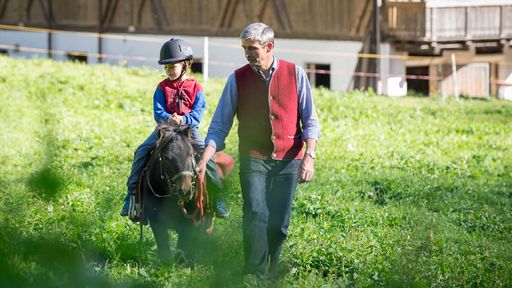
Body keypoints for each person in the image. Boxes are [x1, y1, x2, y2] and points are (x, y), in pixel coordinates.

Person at [196, 23, 320, 279]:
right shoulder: (237, 79)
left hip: (290, 159)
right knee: (255, 212)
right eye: (244, 48)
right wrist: (206, 156)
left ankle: (272, 267)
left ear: (269, 47)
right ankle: (254, 273)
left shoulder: (295, 73)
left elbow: (310, 120)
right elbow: (220, 124)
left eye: (252, 48)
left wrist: (310, 157)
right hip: (254, 157)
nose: (248, 54)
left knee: (280, 222)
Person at [121, 38, 229, 219]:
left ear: (185, 65)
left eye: (173, 67)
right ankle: (132, 195)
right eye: (166, 68)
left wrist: (184, 119)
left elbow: (197, 113)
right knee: (141, 151)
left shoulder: (196, 87)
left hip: (189, 129)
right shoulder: (161, 87)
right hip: (165, 129)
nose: (169, 71)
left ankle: (217, 196)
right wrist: (168, 119)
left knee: (206, 154)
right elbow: (158, 111)